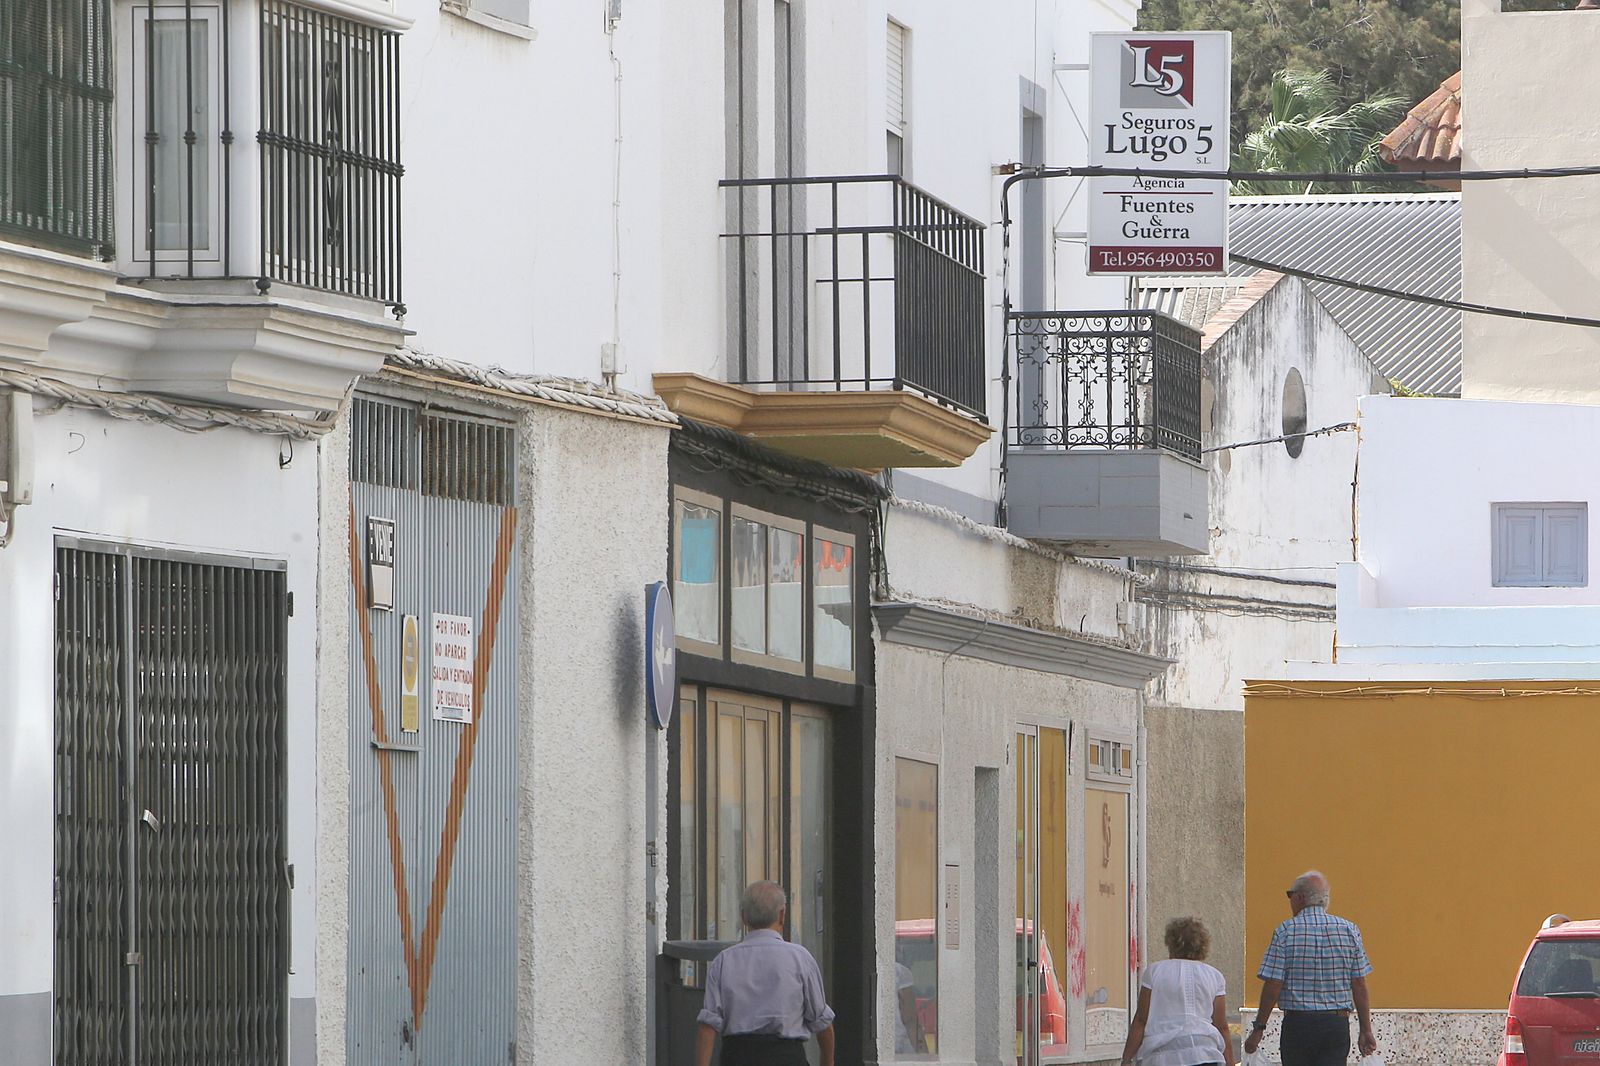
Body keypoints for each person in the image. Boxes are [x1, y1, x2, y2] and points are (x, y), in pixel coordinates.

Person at [697, 881, 836, 1066]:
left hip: (737, 1057)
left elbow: (708, 1026)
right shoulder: (800, 958)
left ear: (743, 917)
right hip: (787, 1057)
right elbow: (822, 1023)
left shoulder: (723, 961)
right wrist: (828, 1061)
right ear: (782, 915)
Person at [1244, 870, 1376, 1066]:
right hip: (1336, 1025)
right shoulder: (1349, 930)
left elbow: (1273, 984)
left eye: (1290, 895)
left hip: (1298, 1026)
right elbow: (1359, 984)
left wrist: (1259, 1029)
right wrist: (1365, 1029)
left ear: (1300, 897)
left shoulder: (1285, 931)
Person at [1119, 916, 1235, 1066]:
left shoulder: (1155, 972)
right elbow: (1221, 1026)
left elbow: (1141, 1020)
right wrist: (1230, 1062)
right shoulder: (1214, 976)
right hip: (1205, 1052)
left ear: (1170, 943)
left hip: (1163, 1054)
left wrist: (1127, 1058)